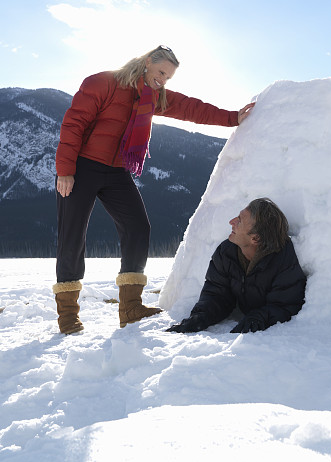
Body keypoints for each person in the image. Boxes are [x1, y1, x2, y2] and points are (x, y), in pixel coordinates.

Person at [52, 45, 255, 335]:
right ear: (147, 62)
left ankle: (130, 307)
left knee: (138, 227)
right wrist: (65, 170)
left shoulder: (153, 97)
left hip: (117, 170)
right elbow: (74, 124)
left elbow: (191, 108)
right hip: (83, 166)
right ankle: (68, 316)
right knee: (72, 236)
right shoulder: (102, 83)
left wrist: (232, 118)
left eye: (168, 77)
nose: (162, 80)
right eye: (161, 72)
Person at [166, 198, 306, 334]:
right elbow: (217, 293)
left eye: (239, 220)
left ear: (255, 238)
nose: (231, 222)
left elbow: (286, 305)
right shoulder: (226, 253)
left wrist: (260, 317)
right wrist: (201, 317)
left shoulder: (283, 260)